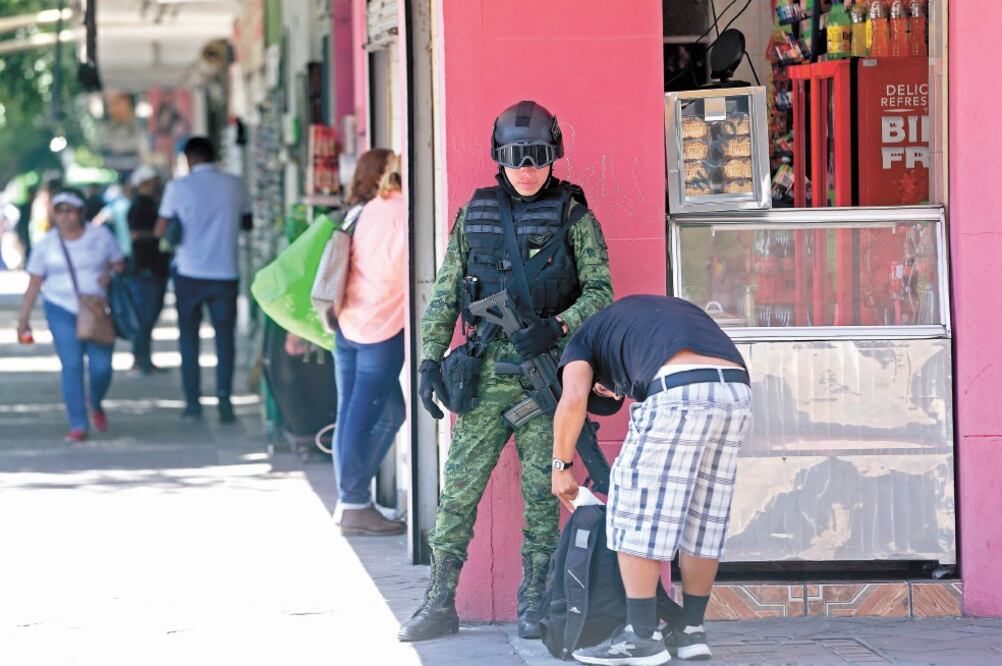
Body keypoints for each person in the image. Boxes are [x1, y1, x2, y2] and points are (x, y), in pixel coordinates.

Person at [400, 100, 614, 642]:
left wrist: (560, 327)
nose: (527, 169)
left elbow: (601, 293)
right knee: (458, 494)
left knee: (545, 497)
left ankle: (534, 603)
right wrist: (428, 361)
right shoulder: (474, 214)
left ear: (553, 156)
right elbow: (445, 291)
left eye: (538, 157)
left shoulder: (574, 217)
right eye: (516, 158)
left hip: (545, 377)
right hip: (484, 374)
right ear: (499, 158)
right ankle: (439, 602)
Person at [551, 295, 752, 665]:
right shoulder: (647, 316)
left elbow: (573, 396)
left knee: (631, 503)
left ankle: (641, 636)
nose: (611, 393)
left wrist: (561, 466)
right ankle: (691, 631)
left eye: (606, 390)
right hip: (736, 390)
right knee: (703, 514)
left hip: (678, 388)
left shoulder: (581, 340)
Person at [330, 149, 408, 536]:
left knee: (366, 414)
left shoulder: (370, 208)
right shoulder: (404, 212)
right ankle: (354, 503)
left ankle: (351, 501)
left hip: (349, 321)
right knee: (362, 417)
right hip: (380, 325)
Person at [155, 137, 252, 423]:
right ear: (214, 156)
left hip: (189, 273)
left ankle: (193, 401)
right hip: (225, 272)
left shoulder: (177, 188)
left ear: (188, 159)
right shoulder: (234, 184)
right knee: (225, 338)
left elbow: (160, 229)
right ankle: (224, 400)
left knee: (189, 337)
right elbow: (247, 222)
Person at [16, 191, 126, 442]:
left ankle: (95, 402)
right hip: (60, 308)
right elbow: (35, 282)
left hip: (96, 308)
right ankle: (78, 423)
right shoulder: (46, 243)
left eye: (70, 210)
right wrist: (24, 318)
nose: (65, 216)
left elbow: (119, 263)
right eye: (60, 211)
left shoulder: (100, 236)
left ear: (81, 212)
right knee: (72, 366)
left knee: (101, 368)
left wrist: (109, 275)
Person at [127, 165, 170, 375]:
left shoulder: (155, 204)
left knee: (150, 316)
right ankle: (139, 358)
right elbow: (135, 234)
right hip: (146, 269)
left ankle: (145, 358)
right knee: (145, 316)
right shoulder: (139, 207)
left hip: (156, 268)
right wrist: (157, 235)